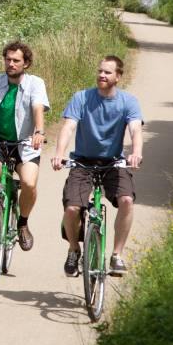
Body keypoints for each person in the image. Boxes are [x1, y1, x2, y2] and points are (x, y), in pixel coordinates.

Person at [51, 55, 144, 277]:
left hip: (114, 162)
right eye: (100, 71)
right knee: (72, 208)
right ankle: (74, 249)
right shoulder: (82, 98)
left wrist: (136, 153)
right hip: (83, 161)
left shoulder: (128, 102)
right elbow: (68, 127)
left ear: (118, 77)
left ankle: (116, 255)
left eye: (108, 72)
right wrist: (59, 154)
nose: (102, 75)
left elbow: (135, 129)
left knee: (127, 200)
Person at [0, 41, 49, 251]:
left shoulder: (35, 83)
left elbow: (38, 107)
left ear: (26, 63)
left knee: (28, 183)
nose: (10, 64)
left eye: (16, 60)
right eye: (8, 59)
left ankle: (22, 222)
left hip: (25, 143)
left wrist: (38, 131)